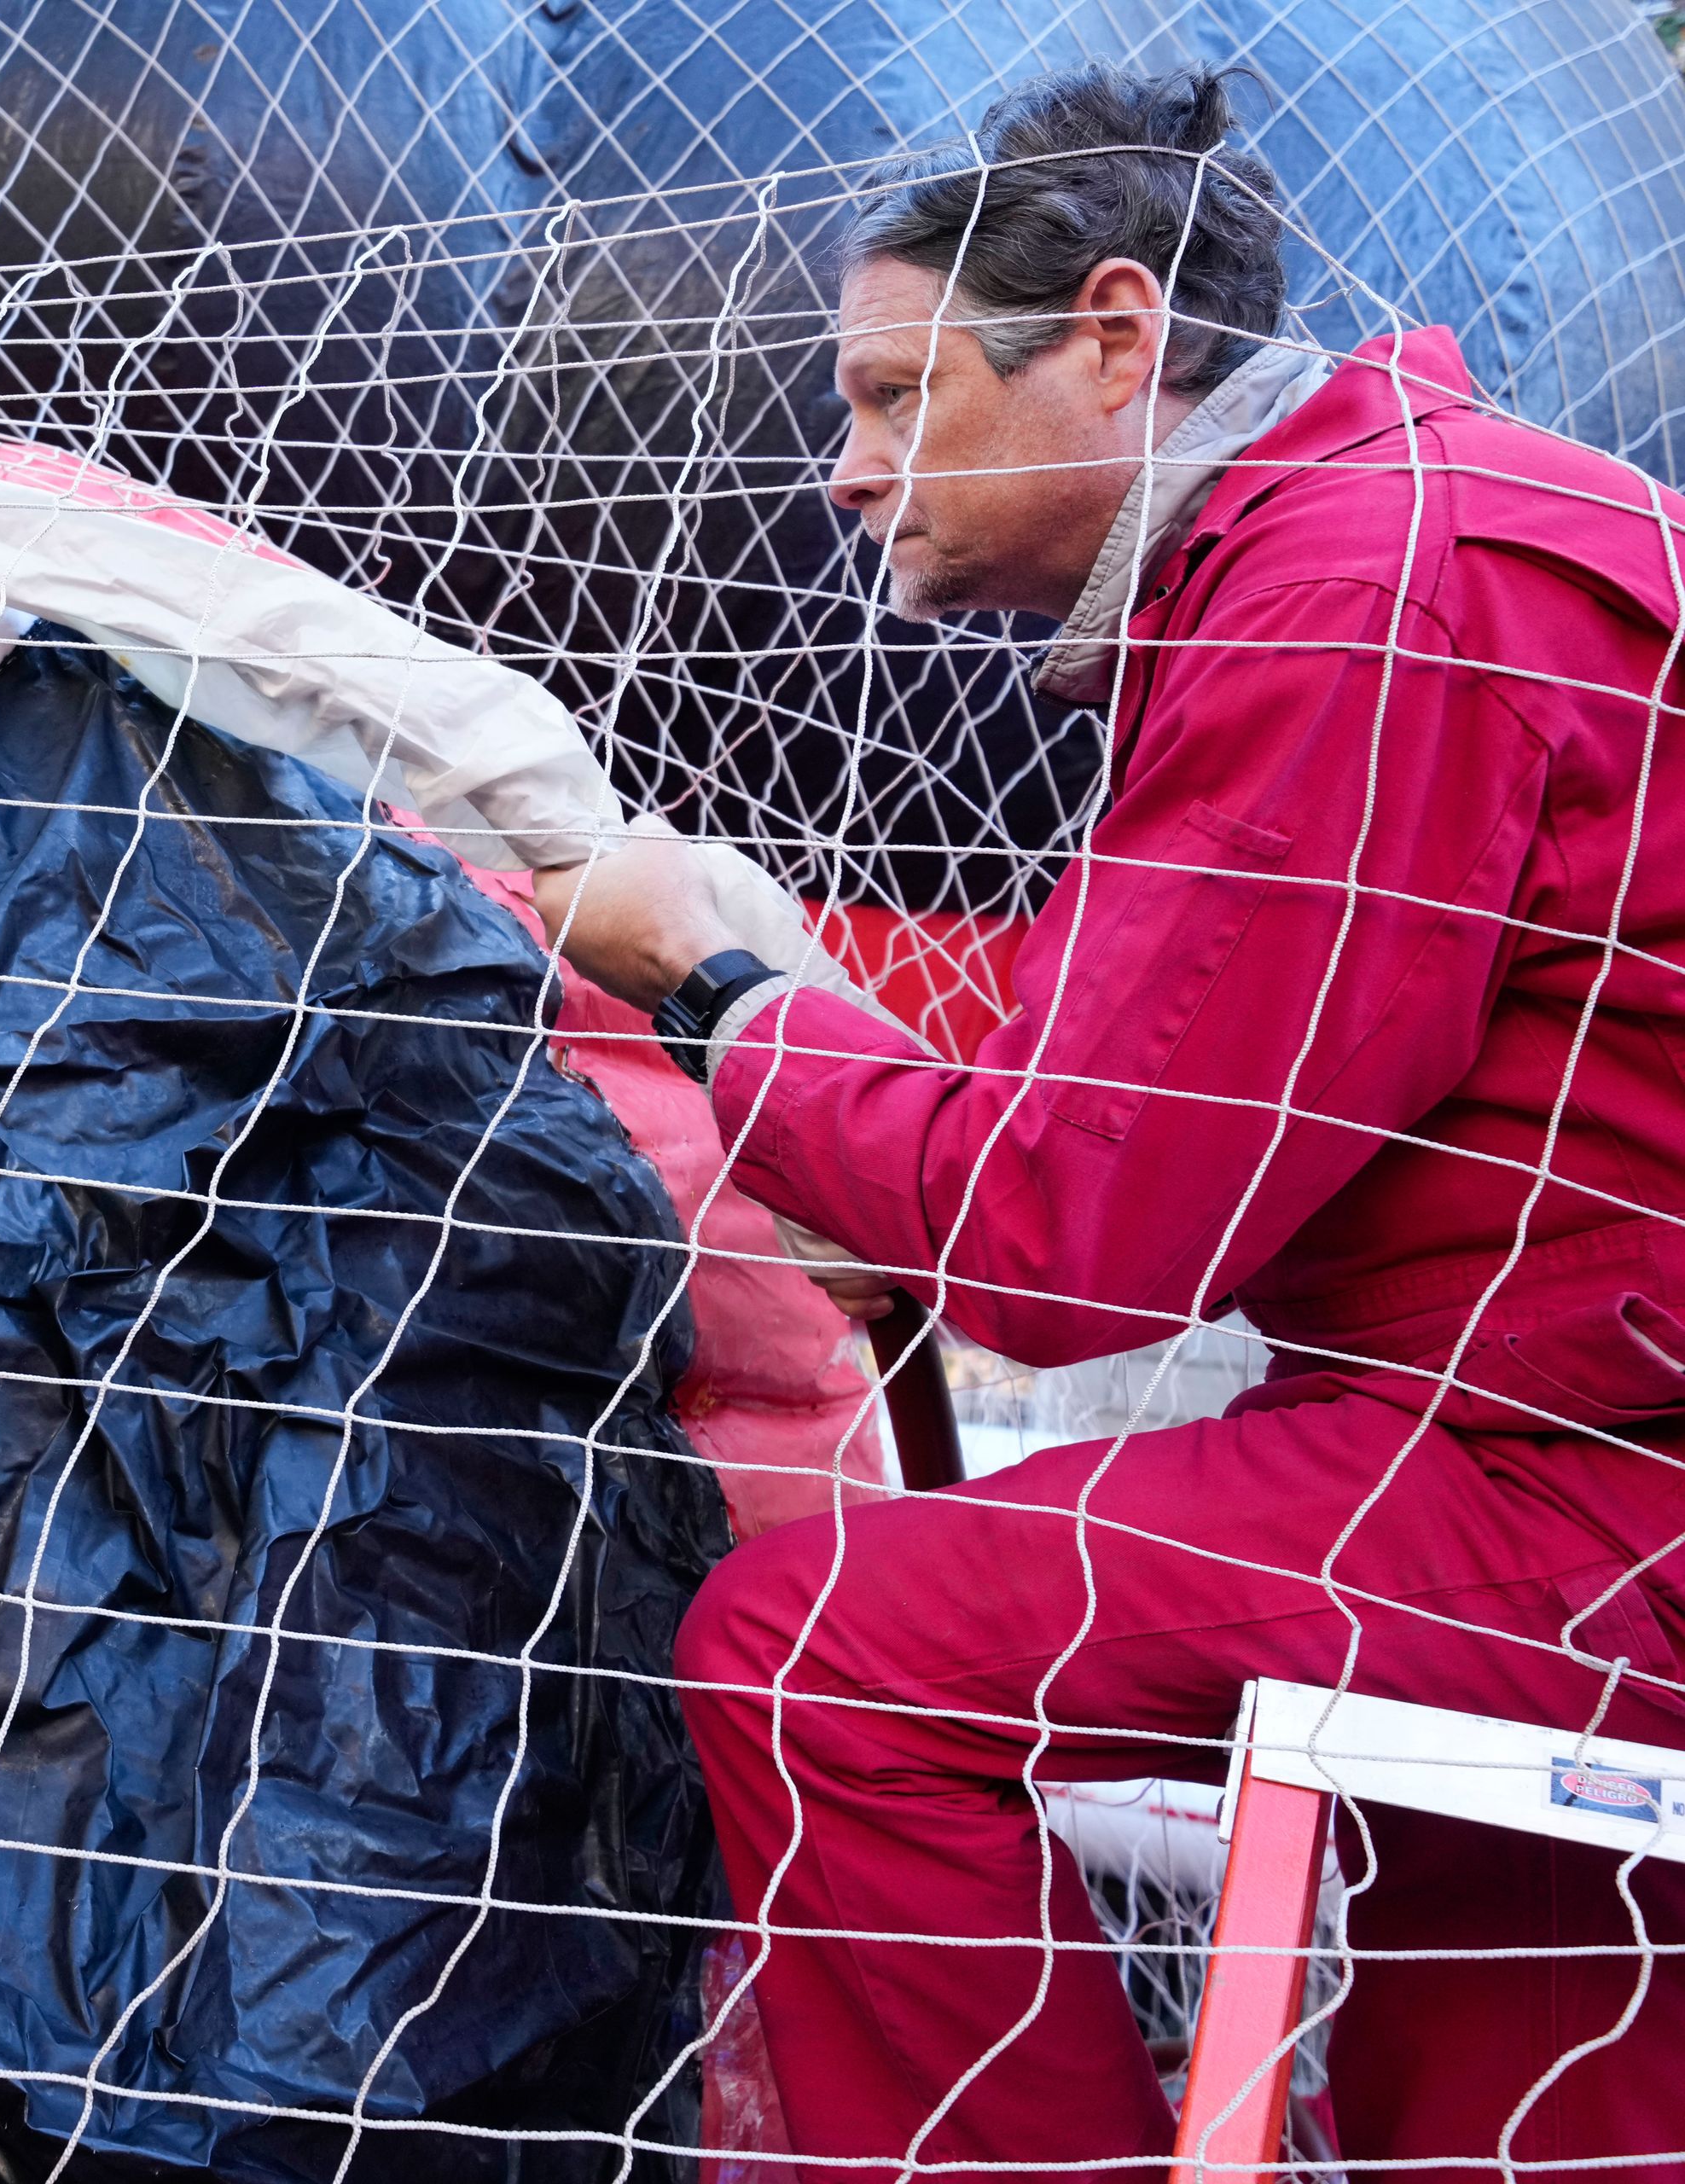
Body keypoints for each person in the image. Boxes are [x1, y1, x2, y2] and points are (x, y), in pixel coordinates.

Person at [531, 62, 1685, 2176]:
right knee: (1530, 2102)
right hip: (1561, 1429)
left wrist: (720, 990)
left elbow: (1071, 1248)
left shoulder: (1356, 595)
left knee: (819, 1662)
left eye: (894, 395)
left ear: (1118, 336)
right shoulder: (1445, 515)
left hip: (1589, 1489)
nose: (849, 475)